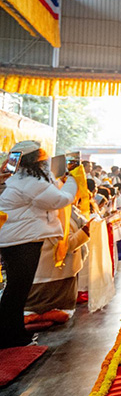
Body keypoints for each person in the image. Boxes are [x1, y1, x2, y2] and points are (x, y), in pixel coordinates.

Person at [0, 141, 78, 348]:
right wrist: (73, 180)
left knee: (16, 289)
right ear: (35, 160)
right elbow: (59, 200)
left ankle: (14, 334)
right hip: (21, 241)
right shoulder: (29, 181)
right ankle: (8, 336)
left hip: (18, 239)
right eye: (43, 157)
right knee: (16, 290)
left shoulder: (23, 177)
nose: (46, 161)